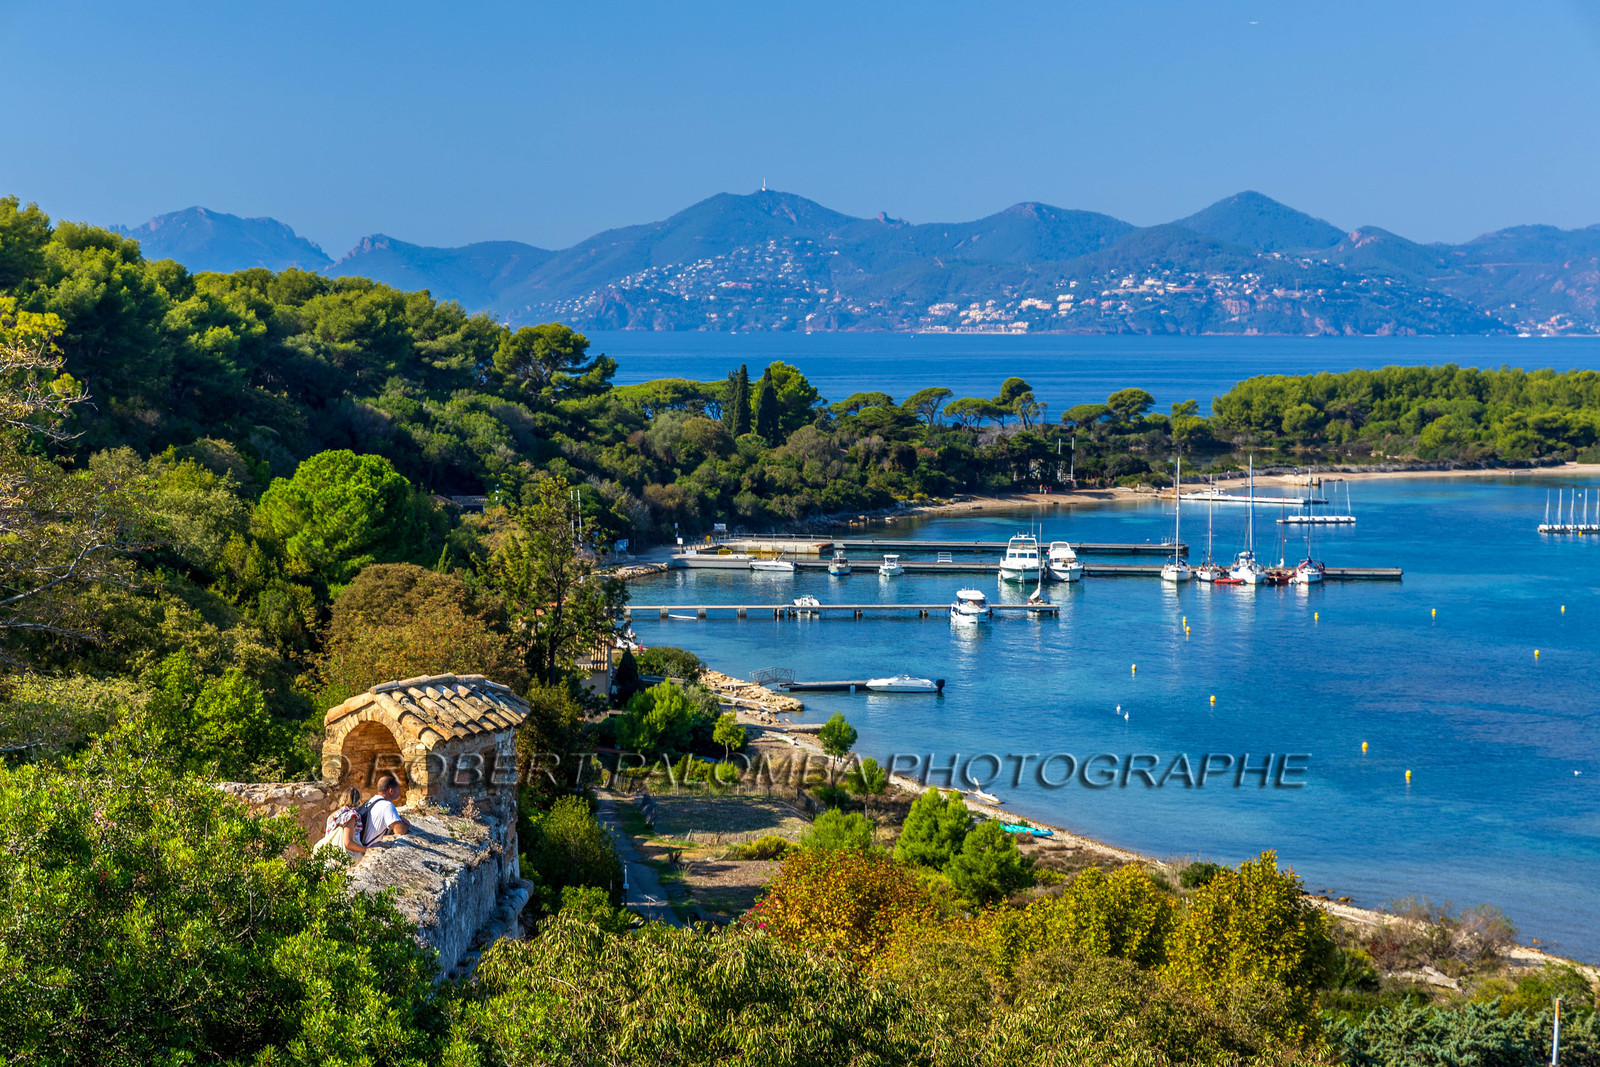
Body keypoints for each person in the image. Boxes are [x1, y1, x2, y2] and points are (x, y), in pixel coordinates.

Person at [360, 774, 412, 846]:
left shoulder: (371, 801)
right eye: (397, 789)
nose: (399, 791)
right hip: (366, 850)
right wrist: (406, 825)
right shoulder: (387, 806)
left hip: (358, 846)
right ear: (391, 791)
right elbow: (400, 830)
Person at [322, 786, 367, 856]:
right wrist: (366, 850)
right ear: (357, 800)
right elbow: (348, 843)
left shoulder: (332, 816)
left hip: (330, 855)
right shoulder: (350, 816)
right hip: (343, 858)